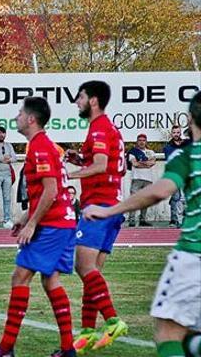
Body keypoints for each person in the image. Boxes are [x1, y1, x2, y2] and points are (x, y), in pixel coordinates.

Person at [84, 90, 201, 357]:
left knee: (168, 333)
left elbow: (160, 191)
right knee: (191, 336)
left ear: (190, 118)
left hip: (194, 254)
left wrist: (110, 210)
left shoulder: (188, 156)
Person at [0, 97, 78, 357]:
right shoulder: (44, 145)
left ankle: (6, 349)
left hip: (52, 224)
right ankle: (67, 349)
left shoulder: (40, 145)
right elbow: (49, 190)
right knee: (50, 280)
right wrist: (25, 215)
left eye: (20, 112)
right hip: (61, 221)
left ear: (31, 118)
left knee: (20, 277)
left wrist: (31, 223)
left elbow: (51, 190)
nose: (17, 116)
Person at [65, 81, 128, 353]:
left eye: (80, 97)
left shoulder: (100, 126)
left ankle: (112, 321)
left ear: (93, 100)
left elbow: (101, 166)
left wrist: (69, 174)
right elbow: (103, 162)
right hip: (111, 205)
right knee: (93, 273)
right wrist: (79, 159)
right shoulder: (105, 128)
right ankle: (88, 331)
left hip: (99, 207)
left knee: (83, 267)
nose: (77, 102)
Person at [127, 134, 156, 227]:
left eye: (143, 140)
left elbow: (152, 162)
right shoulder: (132, 152)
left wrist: (141, 162)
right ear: (137, 141)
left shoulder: (151, 152)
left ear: (146, 141)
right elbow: (135, 164)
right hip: (137, 178)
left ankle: (142, 220)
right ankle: (131, 220)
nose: (142, 142)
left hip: (148, 179)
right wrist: (146, 163)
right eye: (140, 140)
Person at [164, 125, 188, 227]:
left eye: (178, 132)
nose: (176, 134)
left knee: (185, 198)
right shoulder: (168, 147)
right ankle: (176, 220)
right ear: (171, 133)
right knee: (176, 198)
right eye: (174, 132)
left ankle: (183, 219)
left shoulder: (186, 144)